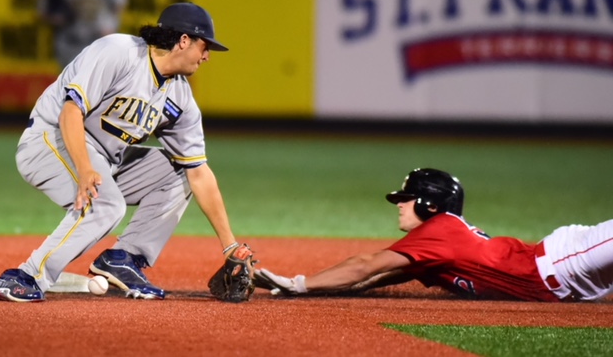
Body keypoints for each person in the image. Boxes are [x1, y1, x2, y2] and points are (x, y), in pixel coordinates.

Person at [0, 2, 244, 302]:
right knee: (107, 205)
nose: (207, 56)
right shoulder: (119, 52)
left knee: (181, 171)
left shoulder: (180, 98)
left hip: (107, 160)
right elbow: (71, 111)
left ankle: (124, 258)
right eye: (205, 46)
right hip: (49, 141)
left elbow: (199, 172)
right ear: (184, 40)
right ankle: (26, 276)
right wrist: (85, 168)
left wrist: (231, 246)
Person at [255, 168, 613, 302]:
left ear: (429, 204)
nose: (400, 205)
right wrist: (323, 287)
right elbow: (374, 277)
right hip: (571, 280)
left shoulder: (439, 230)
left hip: (565, 262)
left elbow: (366, 264)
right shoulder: (434, 246)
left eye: (406, 199)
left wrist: (300, 284)